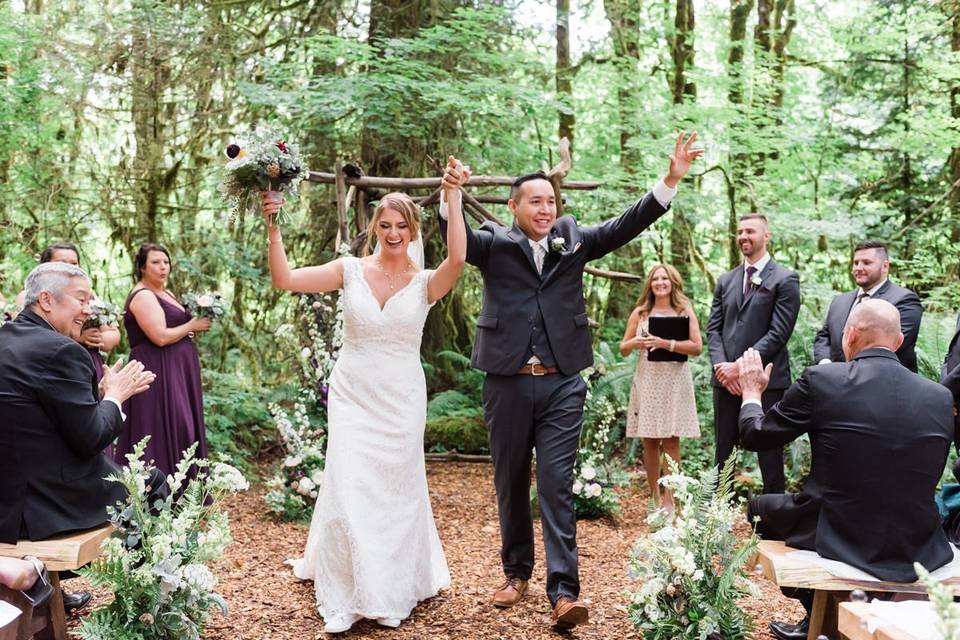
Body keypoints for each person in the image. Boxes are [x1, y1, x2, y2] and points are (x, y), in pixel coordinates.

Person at [439, 132, 703, 629]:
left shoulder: (573, 238)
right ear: (513, 206)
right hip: (507, 381)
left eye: (551, 200)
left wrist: (670, 179)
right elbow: (456, 239)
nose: (545, 208)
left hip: (563, 383)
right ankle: (516, 573)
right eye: (534, 201)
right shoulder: (493, 244)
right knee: (511, 481)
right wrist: (450, 192)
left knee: (558, 484)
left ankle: (564, 592)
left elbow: (626, 225)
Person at [265, 157, 470, 634]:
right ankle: (354, 585)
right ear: (374, 226)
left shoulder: (424, 284)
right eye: (385, 224)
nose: (393, 232)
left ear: (413, 229)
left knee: (394, 491)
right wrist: (273, 226)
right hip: (352, 393)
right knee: (352, 481)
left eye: (401, 225)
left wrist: (454, 196)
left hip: (400, 398)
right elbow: (286, 280)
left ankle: (390, 584)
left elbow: (457, 260)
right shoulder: (350, 270)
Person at [737, 299, 954, 640]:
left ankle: (818, 615)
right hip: (918, 539)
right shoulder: (940, 397)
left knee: (758, 509)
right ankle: (820, 621)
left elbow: (756, 435)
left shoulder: (823, 379)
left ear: (849, 335)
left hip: (840, 530)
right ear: (898, 343)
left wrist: (751, 392)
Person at [0, 262, 160, 611]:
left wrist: (100, 395)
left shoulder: (6, 340)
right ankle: (145, 603)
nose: (88, 309)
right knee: (153, 482)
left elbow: (35, 416)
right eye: (81, 299)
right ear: (46, 300)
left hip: (5, 502)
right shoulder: (62, 351)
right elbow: (90, 439)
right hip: (45, 505)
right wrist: (115, 398)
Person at [706, 214, 800, 495]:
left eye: (750, 231)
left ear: (766, 236)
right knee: (723, 451)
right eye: (740, 232)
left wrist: (739, 367)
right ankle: (716, 519)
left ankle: (774, 523)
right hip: (726, 381)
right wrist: (723, 368)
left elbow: (778, 333)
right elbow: (713, 330)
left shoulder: (785, 279)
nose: (744, 236)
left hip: (765, 379)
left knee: (769, 451)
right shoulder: (726, 280)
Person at [112, 243, 211, 477]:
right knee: (161, 425)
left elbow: (177, 331)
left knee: (182, 425)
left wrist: (190, 330)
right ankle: (157, 491)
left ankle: (185, 490)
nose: (163, 267)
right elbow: (160, 337)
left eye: (166, 262)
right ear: (142, 267)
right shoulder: (143, 295)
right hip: (157, 369)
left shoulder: (166, 293)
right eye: (156, 262)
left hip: (178, 369)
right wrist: (192, 325)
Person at [619, 264, 701, 512]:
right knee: (650, 441)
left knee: (672, 440)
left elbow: (697, 347)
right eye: (656, 279)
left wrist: (665, 343)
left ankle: (670, 499)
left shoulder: (683, 310)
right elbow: (623, 348)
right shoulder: (641, 313)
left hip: (674, 380)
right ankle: (654, 496)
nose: (660, 282)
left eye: (665, 278)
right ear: (650, 284)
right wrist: (637, 341)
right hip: (648, 379)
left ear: (673, 282)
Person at [15, 242, 121, 383]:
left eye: (74, 263)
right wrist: (78, 337)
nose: (69, 267)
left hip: (88, 358)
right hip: (53, 363)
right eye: (62, 262)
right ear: (45, 266)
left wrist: (98, 339)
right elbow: (27, 333)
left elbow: (113, 333)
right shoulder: (30, 295)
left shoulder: (89, 296)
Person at [813, 239, 922, 371]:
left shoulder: (904, 300)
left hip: (882, 383)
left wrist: (847, 372)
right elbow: (824, 336)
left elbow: (891, 344)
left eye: (866, 263)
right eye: (856, 263)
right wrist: (826, 364)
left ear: (885, 266)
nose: (858, 268)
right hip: (835, 383)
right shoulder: (840, 301)